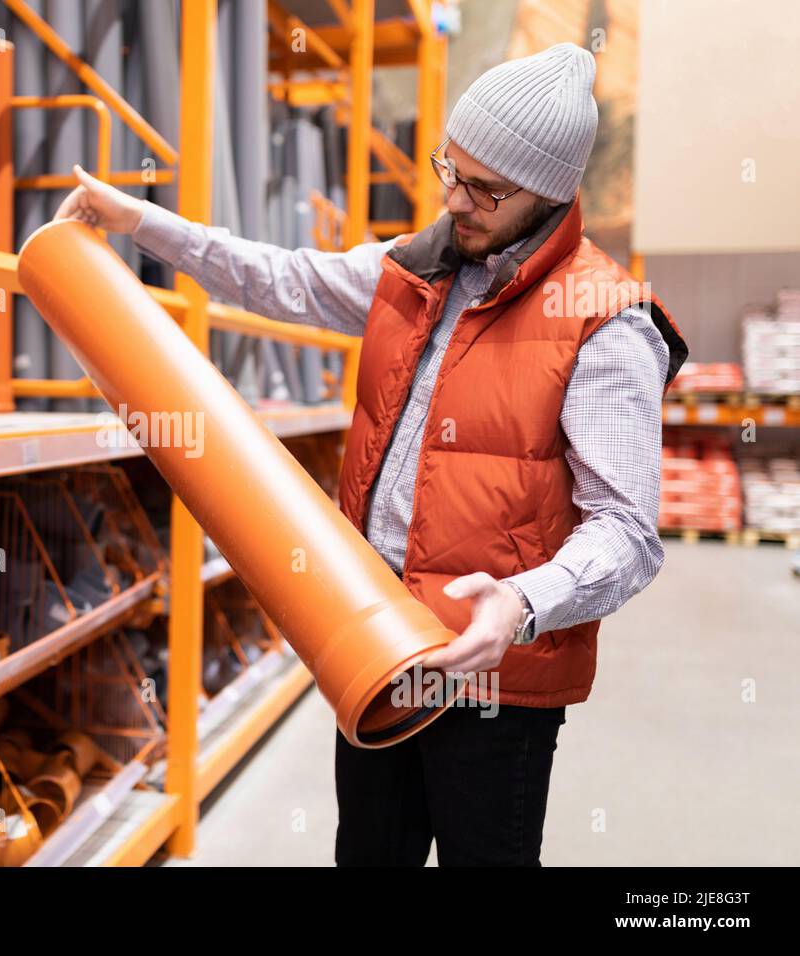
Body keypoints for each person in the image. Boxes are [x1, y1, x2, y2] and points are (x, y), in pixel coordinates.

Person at [55, 42, 688, 866]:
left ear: (553, 192)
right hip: (381, 648)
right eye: (448, 170)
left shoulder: (604, 322)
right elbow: (278, 277)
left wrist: (521, 605)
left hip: (493, 678)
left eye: (485, 189)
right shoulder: (413, 271)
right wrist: (140, 221)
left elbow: (627, 532)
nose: (455, 199)